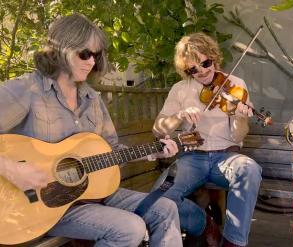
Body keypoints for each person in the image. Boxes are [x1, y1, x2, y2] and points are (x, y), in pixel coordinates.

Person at [0, 13, 183, 247]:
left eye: (96, 55)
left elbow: (113, 151)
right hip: (41, 205)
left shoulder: (91, 98)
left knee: (165, 208)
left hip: (93, 194)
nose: (91, 62)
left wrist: (152, 153)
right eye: (84, 53)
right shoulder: (28, 89)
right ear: (60, 49)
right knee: (129, 229)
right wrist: (13, 170)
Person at [152, 32, 262, 247]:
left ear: (214, 57)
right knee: (158, 198)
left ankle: (233, 242)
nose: (202, 71)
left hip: (226, 157)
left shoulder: (235, 85)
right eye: (193, 69)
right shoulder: (180, 89)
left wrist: (239, 117)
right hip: (191, 158)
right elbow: (157, 129)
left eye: (205, 63)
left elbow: (239, 136)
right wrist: (180, 115)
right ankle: (203, 223)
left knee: (249, 169)